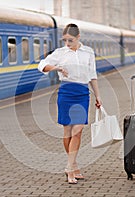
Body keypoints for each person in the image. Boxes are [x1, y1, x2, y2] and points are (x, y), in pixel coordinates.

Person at [38, 23, 102, 184]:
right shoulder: (60, 53)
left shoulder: (88, 52)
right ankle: (74, 166)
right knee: (67, 132)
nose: (67, 43)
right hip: (66, 93)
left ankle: (68, 167)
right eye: (65, 40)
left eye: (70, 40)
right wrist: (56, 68)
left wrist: (98, 96)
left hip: (82, 93)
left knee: (78, 131)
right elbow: (41, 65)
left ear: (78, 37)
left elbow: (92, 75)